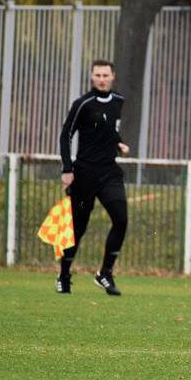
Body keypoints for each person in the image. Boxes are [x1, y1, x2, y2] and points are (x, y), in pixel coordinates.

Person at [56, 59, 130, 296]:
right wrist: (67, 169)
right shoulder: (82, 104)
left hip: (109, 172)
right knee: (78, 227)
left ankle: (105, 273)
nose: (101, 78)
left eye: (105, 75)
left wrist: (117, 142)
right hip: (84, 173)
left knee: (121, 219)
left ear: (112, 76)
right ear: (91, 77)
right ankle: (64, 274)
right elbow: (66, 135)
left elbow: (108, 128)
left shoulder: (118, 101)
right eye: (97, 75)